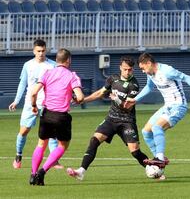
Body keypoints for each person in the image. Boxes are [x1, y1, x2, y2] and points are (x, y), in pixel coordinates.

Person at [66, 56, 149, 181]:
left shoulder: (134, 84)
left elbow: (127, 107)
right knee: (94, 140)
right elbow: (100, 93)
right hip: (111, 118)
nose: (127, 72)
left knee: (135, 152)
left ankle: (152, 168)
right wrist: (83, 100)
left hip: (127, 121)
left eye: (130, 70)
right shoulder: (112, 79)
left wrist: (116, 98)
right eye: (125, 69)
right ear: (120, 67)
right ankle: (81, 171)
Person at [124, 53, 190, 171]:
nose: (143, 71)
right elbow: (149, 87)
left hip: (178, 106)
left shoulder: (167, 71)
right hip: (167, 107)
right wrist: (135, 100)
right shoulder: (151, 74)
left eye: (143, 68)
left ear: (148, 63)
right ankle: (158, 159)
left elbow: (188, 78)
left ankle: (159, 158)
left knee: (157, 128)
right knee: (146, 132)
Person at [29, 48, 84, 186]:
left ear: (57, 60)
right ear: (68, 60)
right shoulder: (72, 75)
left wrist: (34, 106)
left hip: (46, 114)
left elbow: (34, 92)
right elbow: (80, 96)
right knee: (62, 145)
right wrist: (77, 100)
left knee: (41, 144)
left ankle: (33, 174)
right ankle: (42, 171)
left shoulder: (47, 73)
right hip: (61, 117)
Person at [8, 39, 62, 169]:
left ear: (46, 50)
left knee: (51, 132)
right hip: (30, 103)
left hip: (48, 103)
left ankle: (54, 160)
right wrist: (16, 100)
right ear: (34, 51)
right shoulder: (28, 65)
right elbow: (23, 84)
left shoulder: (53, 65)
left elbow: (58, 84)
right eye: (38, 51)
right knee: (24, 131)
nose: (41, 53)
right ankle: (18, 155)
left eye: (43, 51)